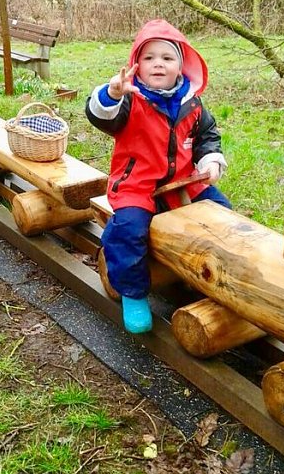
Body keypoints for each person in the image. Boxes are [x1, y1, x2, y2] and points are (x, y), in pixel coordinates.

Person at [86, 18, 231, 335]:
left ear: (182, 65)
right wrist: (111, 93)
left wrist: (210, 160)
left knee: (222, 214)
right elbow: (101, 116)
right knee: (128, 231)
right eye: (149, 57)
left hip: (182, 183)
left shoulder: (191, 102)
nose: (158, 64)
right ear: (136, 64)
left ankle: (212, 276)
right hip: (136, 185)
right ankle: (133, 293)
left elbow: (207, 135)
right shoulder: (130, 98)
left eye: (167, 58)